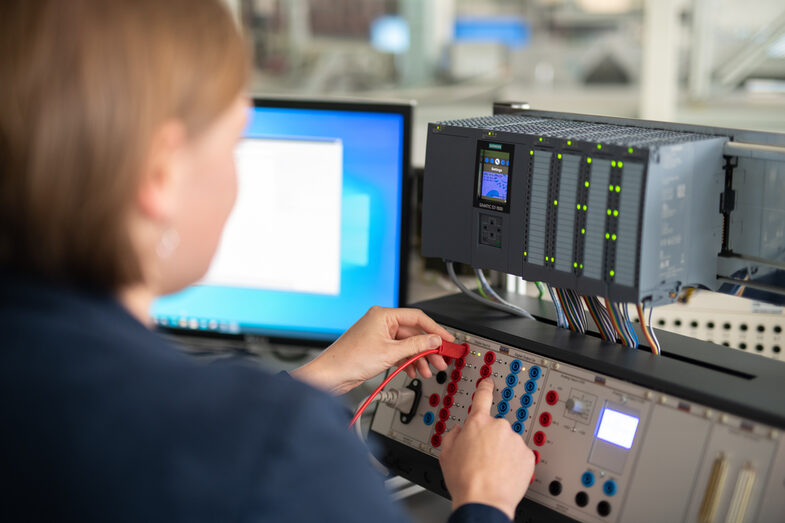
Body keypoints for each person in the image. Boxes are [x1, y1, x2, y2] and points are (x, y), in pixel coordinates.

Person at [0, 1, 535, 522]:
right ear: (160, 174)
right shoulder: (282, 449)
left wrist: (315, 378)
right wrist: (484, 501)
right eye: (235, 141)